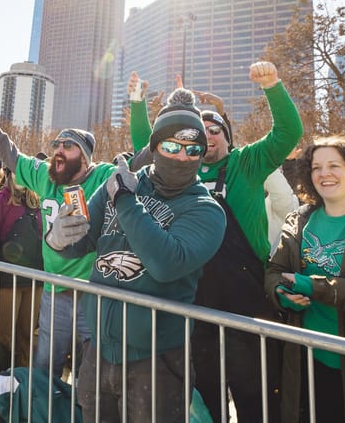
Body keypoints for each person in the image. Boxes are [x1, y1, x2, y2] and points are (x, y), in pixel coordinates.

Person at [128, 61, 303, 422]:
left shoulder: (248, 163)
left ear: (228, 136)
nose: (207, 135)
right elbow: (146, 146)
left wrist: (272, 86)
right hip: (192, 296)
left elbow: (288, 133)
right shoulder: (179, 170)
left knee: (254, 394)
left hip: (245, 296)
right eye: (198, 130)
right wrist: (137, 105)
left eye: (215, 129)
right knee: (206, 397)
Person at [51, 88, 226, 421]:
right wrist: (58, 235)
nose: (181, 157)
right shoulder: (125, 182)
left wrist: (127, 203)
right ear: (155, 147)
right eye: (171, 147)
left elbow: (165, 263)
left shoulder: (207, 210)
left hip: (158, 358)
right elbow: (83, 239)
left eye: (193, 150)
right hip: (99, 349)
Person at [0, 95, 116, 379]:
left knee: (92, 370)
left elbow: (143, 164)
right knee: (47, 363)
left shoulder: (103, 176)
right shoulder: (45, 177)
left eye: (68, 145)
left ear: (84, 156)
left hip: (93, 293)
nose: (58, 150)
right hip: (54, 291)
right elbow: (10, 154)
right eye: (56, 144)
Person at [265, 136, 345, 423]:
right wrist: (282, 293)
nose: (324, 174)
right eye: (316, 167)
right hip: (307, 359)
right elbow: (274, 270)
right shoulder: (299, 219)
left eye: (334, 165)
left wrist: (315, 287)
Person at [0, 169, 44, 367]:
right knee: (4, 337)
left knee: (27, 335)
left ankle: (21, 384)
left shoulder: (38, 204)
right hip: (6, 281)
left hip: (34, 280)